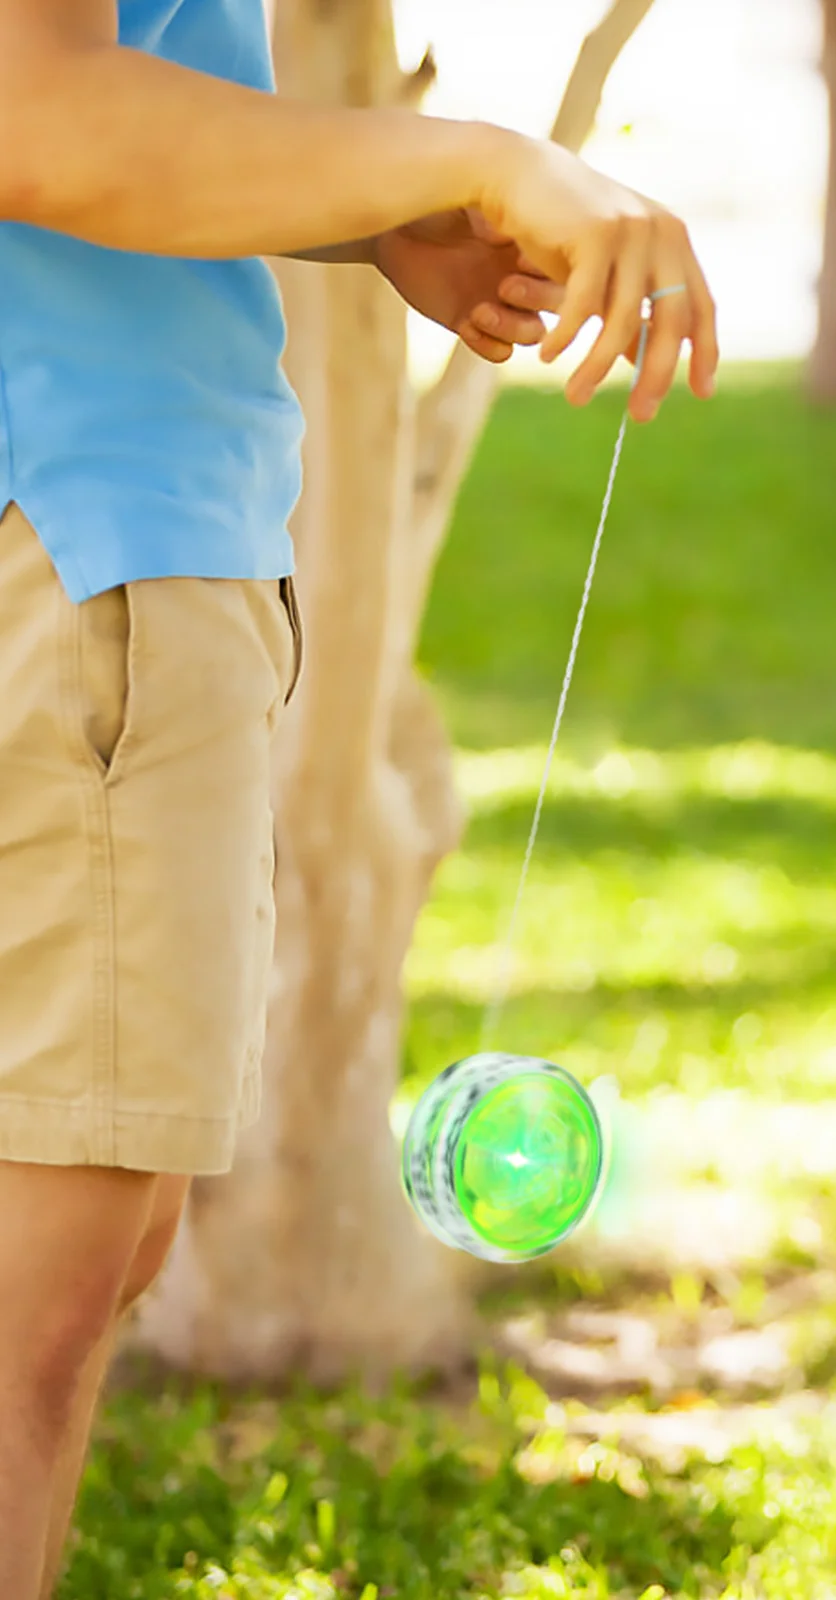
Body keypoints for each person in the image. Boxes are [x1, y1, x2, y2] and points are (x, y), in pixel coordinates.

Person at [0, 0, 717, 1593]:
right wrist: (468, 154)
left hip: (101, 524)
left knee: (97, 1254)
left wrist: (375, 212)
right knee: (36, 1311)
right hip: (78, 532)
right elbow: (38, 115)